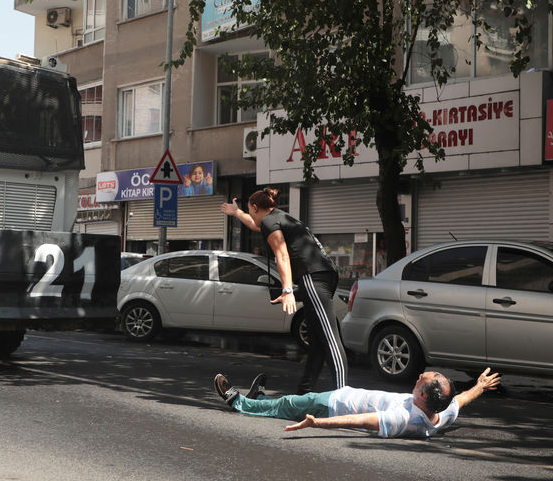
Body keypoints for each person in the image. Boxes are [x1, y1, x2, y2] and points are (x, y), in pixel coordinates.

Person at [221, 188, 346, 393]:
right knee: (317, 340)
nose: (250, 215)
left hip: (314, 277)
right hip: (323, 275)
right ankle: (304, 394)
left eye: (248, 210)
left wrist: (288, 289)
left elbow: (282, 255)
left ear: (255, 207)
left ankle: (345, 397)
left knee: (330, 338)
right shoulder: (279, 217)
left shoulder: (271, 222)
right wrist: (236, 212)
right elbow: (254, 224)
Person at [213, 368, 501, 438]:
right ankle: (259, 399)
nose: (421, 376)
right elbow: (459, 401)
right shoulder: (440, 414)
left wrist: (318, 422)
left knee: (288, 404)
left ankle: (238, 402)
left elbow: (360, 421)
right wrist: (480, 386)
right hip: (342, 397)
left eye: (422, 380)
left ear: (424, 395)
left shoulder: (404, 418)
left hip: (334, 406)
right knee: (286, 403)